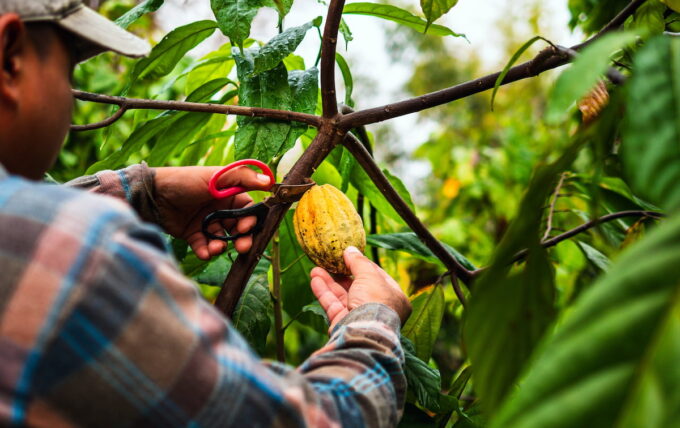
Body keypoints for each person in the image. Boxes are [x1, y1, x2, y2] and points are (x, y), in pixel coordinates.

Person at [0, 1, 412, 427]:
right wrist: (374, 326)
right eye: (67, 72)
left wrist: (144, 191)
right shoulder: (74, 248)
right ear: (10, 57)